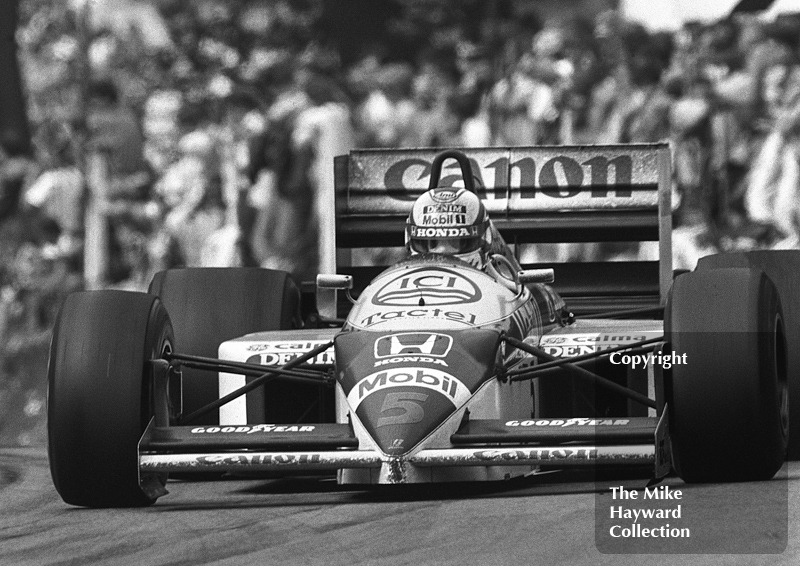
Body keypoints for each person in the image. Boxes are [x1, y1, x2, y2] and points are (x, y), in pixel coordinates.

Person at [404, 186, 513, 270]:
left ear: (486, 239)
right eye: (432, 243)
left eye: (454, 243)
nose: (442, 252)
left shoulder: (502, 283)